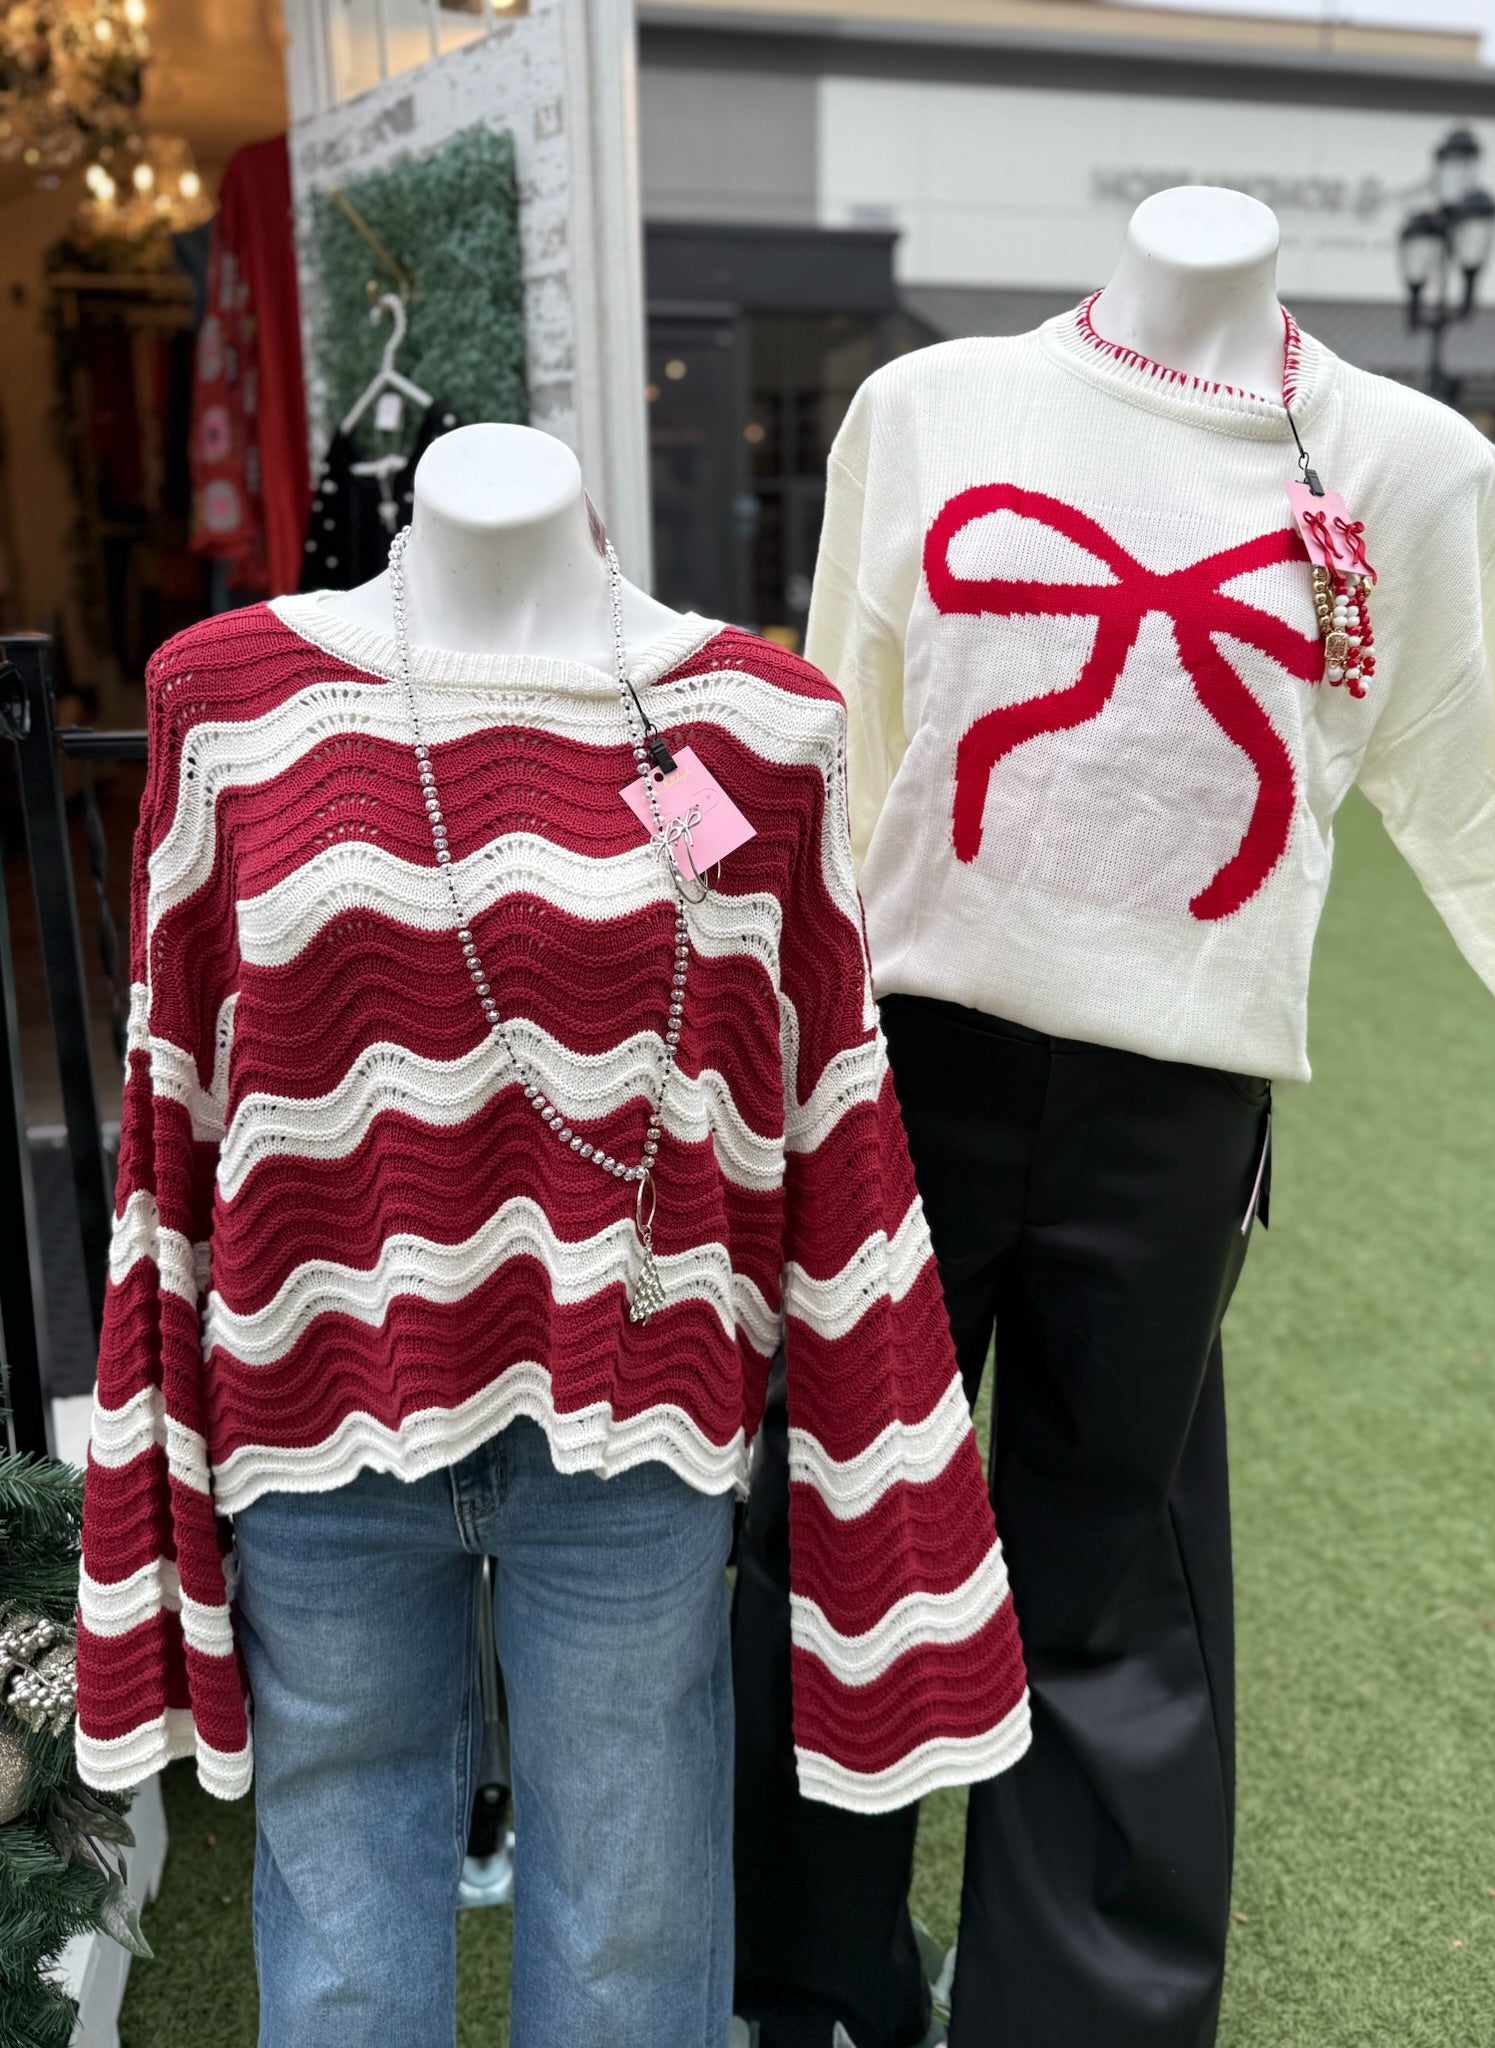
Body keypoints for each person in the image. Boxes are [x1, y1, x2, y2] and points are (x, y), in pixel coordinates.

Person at [74, 422, 1030, 2048]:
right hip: (320, 1408)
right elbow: (174, 1090)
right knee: (345, 1932)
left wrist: (868, 1427)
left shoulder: (755, 722)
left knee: (628, 1935)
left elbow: (823, 1094)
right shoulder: (224, 699)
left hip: (637, 1419)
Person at [733, 188, 1495, 2048]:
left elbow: (1486, 790)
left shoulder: (1407, 469)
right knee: (843, 1525)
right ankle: (806, 1981)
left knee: (1109, 1565)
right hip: (900, 1065)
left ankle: (1071, 2013)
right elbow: (847, 747)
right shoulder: (929, 411)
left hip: (1178, 1101)